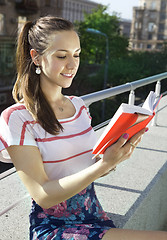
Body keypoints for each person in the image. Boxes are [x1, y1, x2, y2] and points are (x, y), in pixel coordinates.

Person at [0, 16, 166, 240]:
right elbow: (42, 195)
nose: (72, 64)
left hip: (92, 213)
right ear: (36, 58)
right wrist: (103, 165)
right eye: (62, 56)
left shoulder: (79, 107)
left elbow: (91, 167)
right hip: (54, 226)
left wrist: (114, 157)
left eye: (76, 55)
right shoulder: (17, 118)